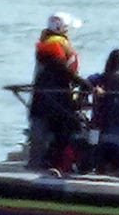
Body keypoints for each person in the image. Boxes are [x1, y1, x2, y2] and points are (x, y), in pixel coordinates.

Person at [29, 13, 85, 171]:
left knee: (46, 133)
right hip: (55, 100)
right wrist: (83, 83)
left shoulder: (46, 43)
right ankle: (61, 164)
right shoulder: (55, 45)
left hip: (45, 99)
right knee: (70, 129)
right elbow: (62, 69)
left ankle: (46, 161)